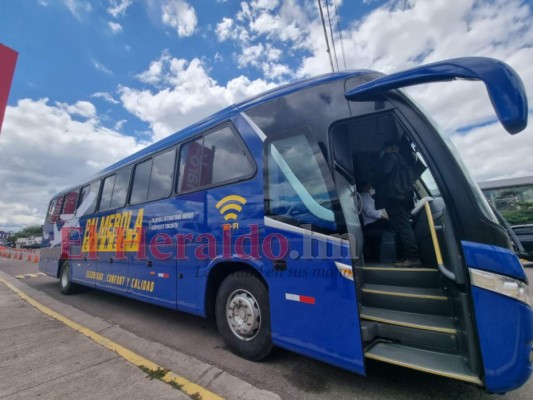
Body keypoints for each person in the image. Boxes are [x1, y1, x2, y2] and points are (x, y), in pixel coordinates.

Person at [374, 141, 420, 267]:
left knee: (403, 227)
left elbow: (383, 174)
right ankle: (406, 256)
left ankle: (412, 257)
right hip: (404, 197)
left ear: (392, 147)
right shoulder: (405, 161)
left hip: (393, 197)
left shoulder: (390, 157)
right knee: (403, 226)